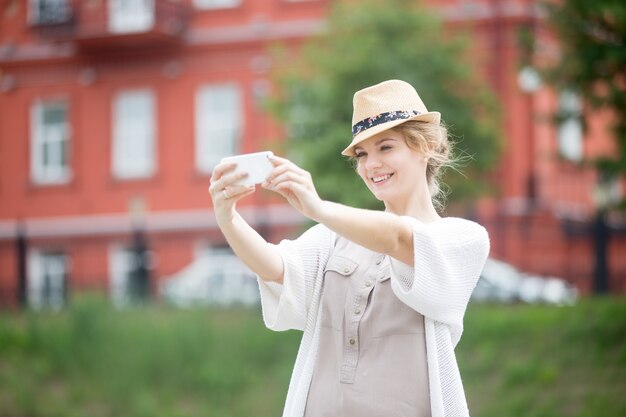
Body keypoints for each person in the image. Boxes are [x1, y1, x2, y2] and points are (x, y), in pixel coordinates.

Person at [209, 79, 490, 417]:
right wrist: (228, 218)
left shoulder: (462, 238)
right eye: (362, 154)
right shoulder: (333, 237)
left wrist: (317, 208)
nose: (371, 165)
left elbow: (399, 238)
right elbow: (275, 267)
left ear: (426, 147)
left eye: (385, 148)